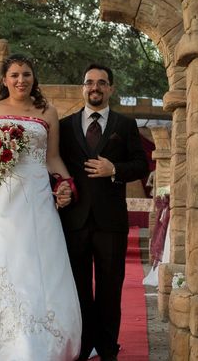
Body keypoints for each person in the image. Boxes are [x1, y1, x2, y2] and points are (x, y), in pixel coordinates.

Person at [0, 54, 82, 360]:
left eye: (26, 74)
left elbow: (51, 157)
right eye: (14, 75)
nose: (21, 80)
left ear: (33, 78)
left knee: (33, 259)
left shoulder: (47, 112)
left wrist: (67, 184)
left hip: (35, 195)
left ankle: (39, 337)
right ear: (4, 80)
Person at [58, 63, 149, 361]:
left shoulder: (124, 125)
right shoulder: (66, 125)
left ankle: (108, 348)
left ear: (110, 88)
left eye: (101, 82)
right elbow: (54, 168)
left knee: (110, 288)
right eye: (89, 82)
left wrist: (115, 169)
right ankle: (83, 346)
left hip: (111, 222)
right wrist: (60, 188)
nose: (94, 87)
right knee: (79, 288)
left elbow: (140, 165)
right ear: (83, 87)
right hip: (75, 220)